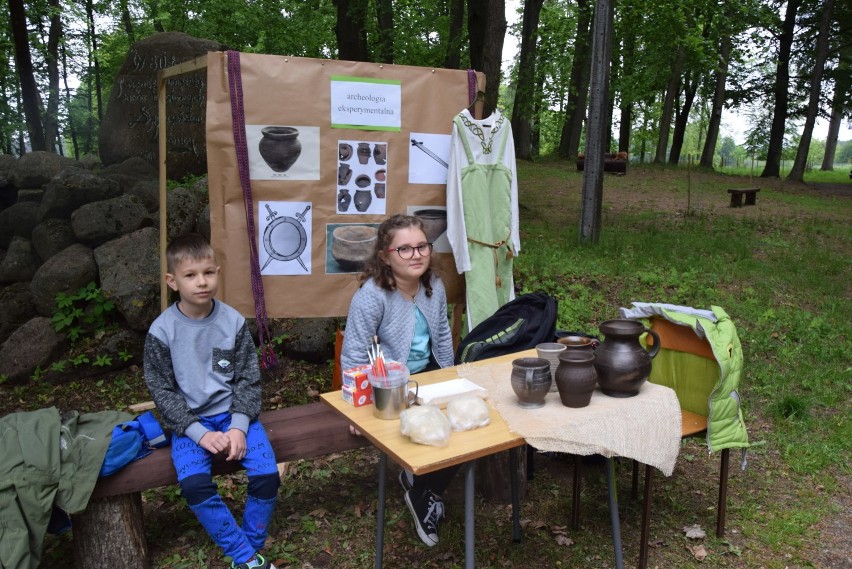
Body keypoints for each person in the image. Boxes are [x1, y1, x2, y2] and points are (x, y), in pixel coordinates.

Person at [144, 234, 279, 569]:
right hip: (190, 424)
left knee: (267, 476)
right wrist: (198, 433)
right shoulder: (162, 332)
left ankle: (249, 550)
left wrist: (239, 428)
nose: (201, 282)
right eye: (190, 275)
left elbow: (247, 378)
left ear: (218, 272)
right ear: (172, 282)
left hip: (234, 416)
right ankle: (245, 556)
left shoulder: (232, 322)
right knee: (194, 485)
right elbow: (162, 391)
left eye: (208, 273)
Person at [340, 214, 459, 547]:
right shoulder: (372, 295)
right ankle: (423, 496)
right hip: (390, 387)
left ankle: (421, 487)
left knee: (467, 423)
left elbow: (444, 340)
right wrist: (358, 405)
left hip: (430, 375)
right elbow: (353, 354)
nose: (416, 254)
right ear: (385, 255)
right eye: (404, 249)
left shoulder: (434, 287)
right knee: (434, 429)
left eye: (421, 246)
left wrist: (449, 381)